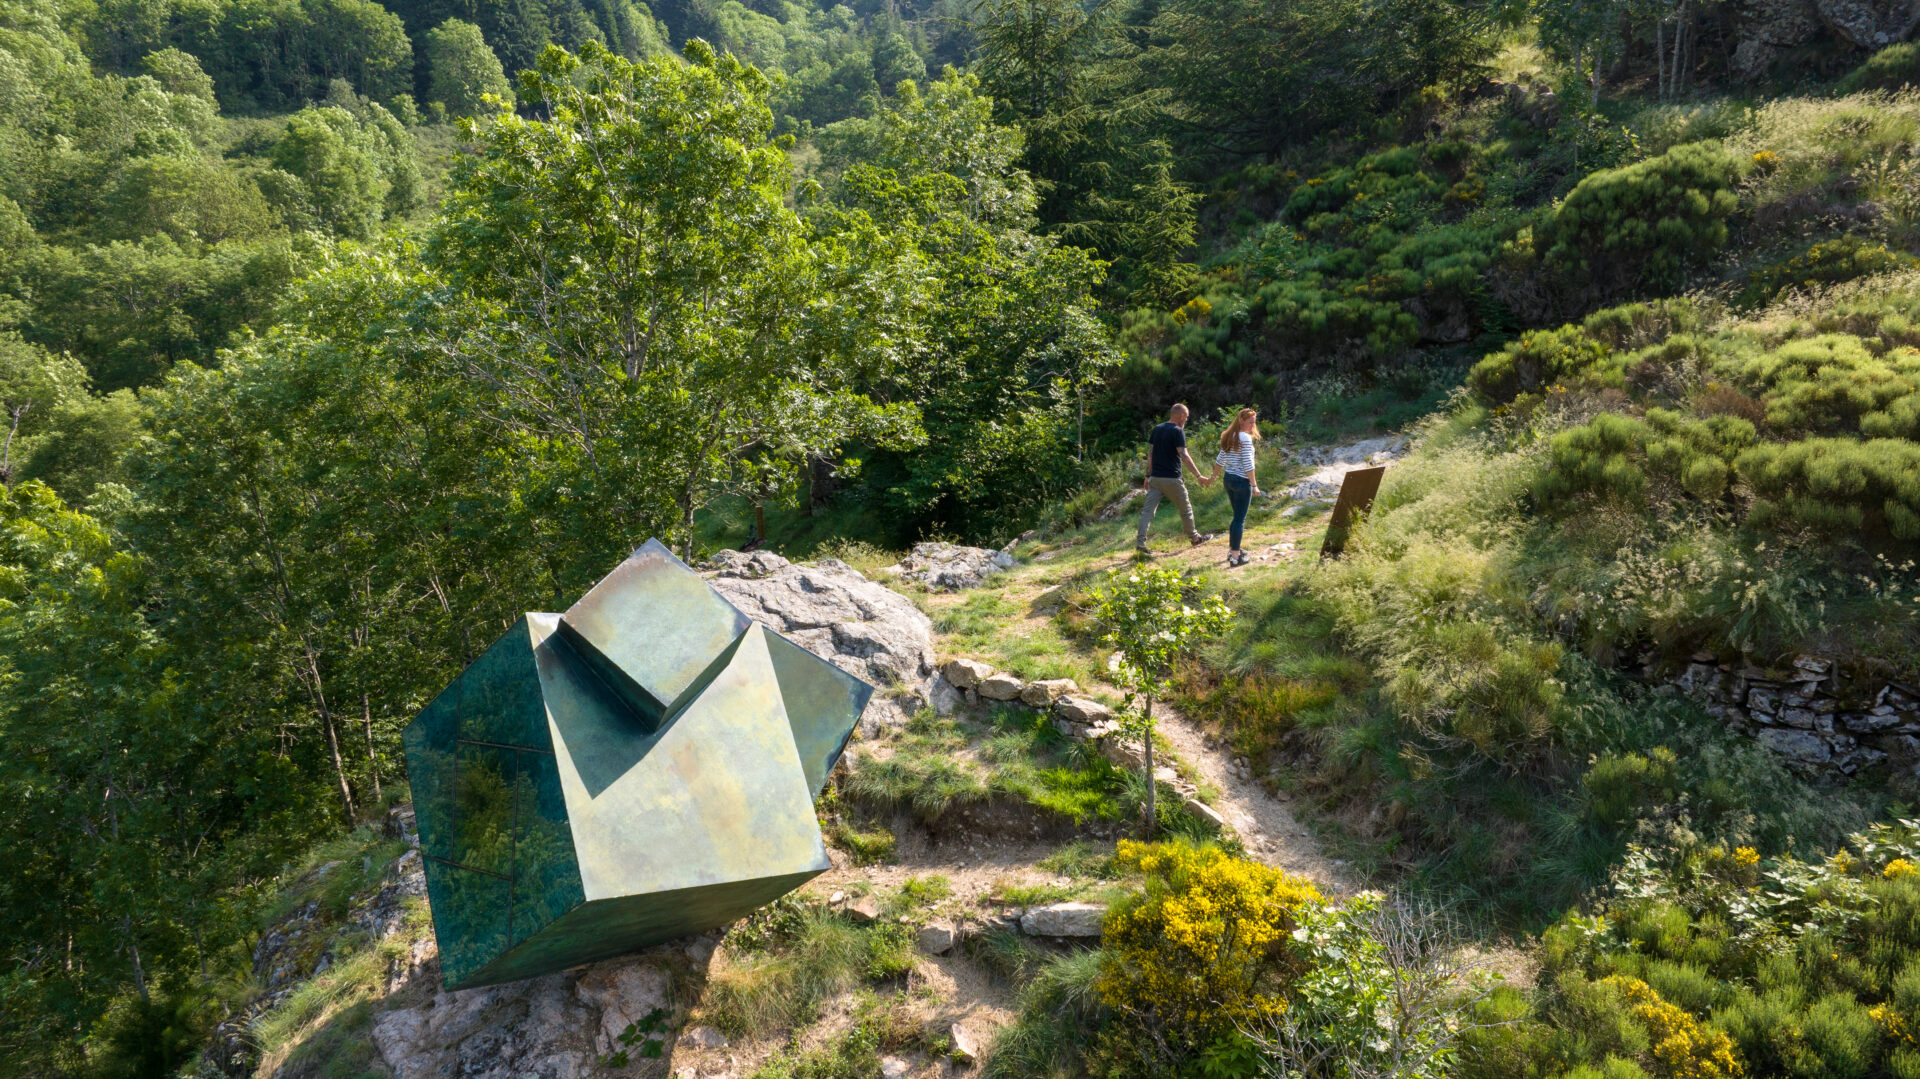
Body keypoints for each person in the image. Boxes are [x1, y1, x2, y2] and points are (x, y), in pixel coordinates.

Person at [1135, 403, 1216, 555]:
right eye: (1187, 417)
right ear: (1181, 416)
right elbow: (1183, 455)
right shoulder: (1178, 431)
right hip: (1172, 479)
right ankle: (1195, 538)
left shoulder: (1157, 429)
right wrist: (1198, 475)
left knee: (1147, 513)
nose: (1186, 420)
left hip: (1155, 479)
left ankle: (1140, 544)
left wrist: (1147, 475)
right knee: (1186, 510)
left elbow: (1150, 454)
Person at [1214, 408, 1261, 567]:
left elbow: (1220, 460)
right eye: (1250, 422)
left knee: (1236, 518)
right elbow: (1248, 464)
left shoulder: (1229, 435)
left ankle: (1233, 550)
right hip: (1241, 482)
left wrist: (1213, 477)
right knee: (1239, 520)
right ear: (1241, 421)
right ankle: (1235, 557)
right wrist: (1254, 485)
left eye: (1254, 422)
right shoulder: (1245, 438)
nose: (1253, 425)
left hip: (1229, 480)